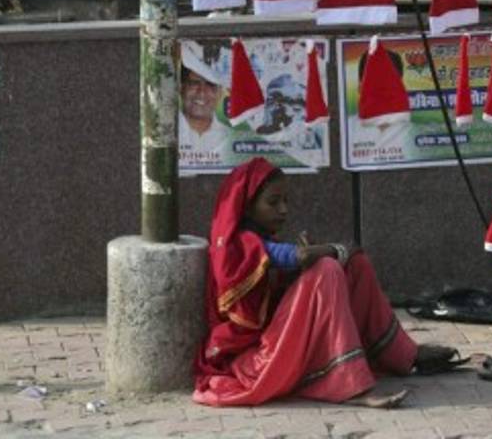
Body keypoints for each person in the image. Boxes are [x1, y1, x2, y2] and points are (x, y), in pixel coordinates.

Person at [194, 158, 457, 408]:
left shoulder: (261, 238)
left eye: (285, 201)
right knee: (327, 269)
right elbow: (299, 256)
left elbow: (293, 264)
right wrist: (335, 249)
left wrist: (331, 256)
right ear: (248, 206)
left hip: (283, 340)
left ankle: (402, 355)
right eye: (273, 202)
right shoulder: (243, 242)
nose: (283, 210)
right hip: (255, 359)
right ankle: (348, 384)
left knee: (356, 266)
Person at [179, 65, 232, 170]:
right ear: (181, 88)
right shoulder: (164, 134)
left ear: (220, 93)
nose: (202, 92)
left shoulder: (230, 138)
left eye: (211, 85)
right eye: (194, 83)